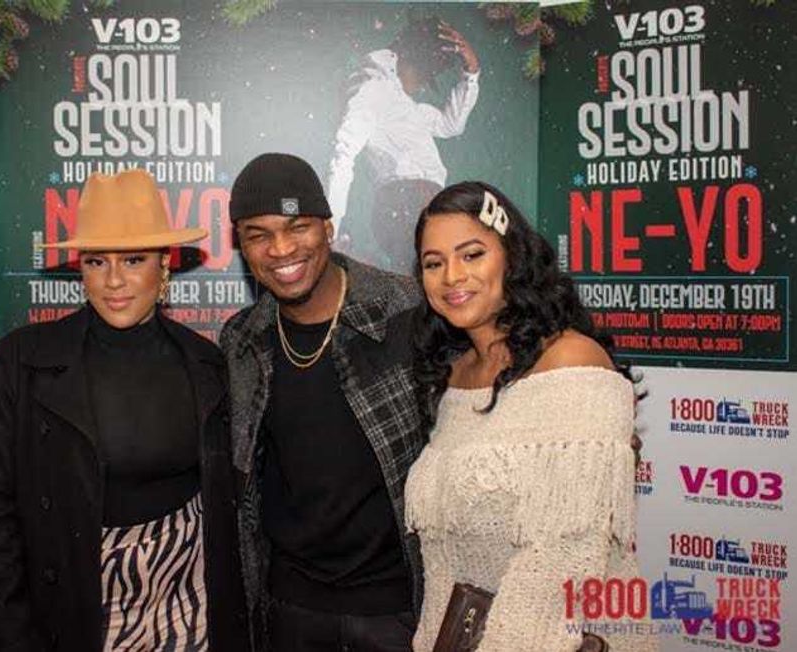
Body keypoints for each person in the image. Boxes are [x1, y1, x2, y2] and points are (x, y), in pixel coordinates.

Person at [0, 170, 249, 652]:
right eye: (97, 261)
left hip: (190, 606)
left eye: (133, 260)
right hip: (78, 611)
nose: (114, 280)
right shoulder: (21, 362)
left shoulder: (208, 363)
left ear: (164, 264)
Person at [404, 181, 655, 652]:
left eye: (472, 254)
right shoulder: (453, 377)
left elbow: (559, 567)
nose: (452, 276)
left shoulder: (572, 361)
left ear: (512, 257)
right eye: (433, 263)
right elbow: (443, 565)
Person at [221, 153, 426, 652]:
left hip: (400, 610)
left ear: (329, 228)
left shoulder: (407, 311)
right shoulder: (241, 341)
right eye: (258, 235)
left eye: (298, 227)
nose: (281, 249)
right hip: (291, 610)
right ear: (242, 246)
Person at [326, 17, 480, 273]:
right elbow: (343, 155)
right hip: (406, 200)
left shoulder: (409, 107)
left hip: (421, 201)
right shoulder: (373, 90)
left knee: (429, 279)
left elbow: (450, 125)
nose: (423, 84)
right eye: (427, 74)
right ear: (414, 60)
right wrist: (330, 228)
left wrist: (471, 73)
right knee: (424, 279)